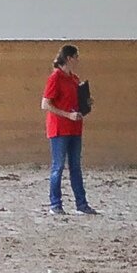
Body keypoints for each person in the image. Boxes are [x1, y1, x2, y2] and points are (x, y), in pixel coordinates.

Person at [40, 45, 95, 216]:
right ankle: (55, 204)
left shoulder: (74, 78)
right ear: (69, 58)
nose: (78, 60)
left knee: (75, 167)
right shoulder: (55, 78)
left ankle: (81, 203)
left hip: (74, 128)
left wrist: (86, 103)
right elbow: (45, 104)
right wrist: (67, 115)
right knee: (58, 167)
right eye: (76, 57)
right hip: (59, 128)